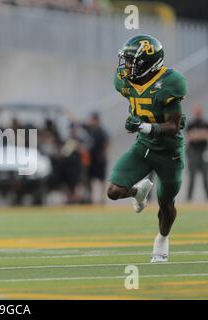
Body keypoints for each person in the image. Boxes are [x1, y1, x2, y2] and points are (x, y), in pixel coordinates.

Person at [107, 34, 187, 263]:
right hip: (143, 147)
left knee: (166, 203)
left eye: (132, 61)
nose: (127, 65)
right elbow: (137, 99)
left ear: (147, 63)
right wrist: (140, 124)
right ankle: (138, 192)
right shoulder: (124, 79)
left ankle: (162, 238)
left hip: (169, 152)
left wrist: (142, 125)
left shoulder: (170, 83)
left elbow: (173, 126)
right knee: (113, 191)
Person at [84, 112, 109, 204]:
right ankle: (91, 198)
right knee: (90, 179)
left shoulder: (102, 131)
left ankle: (102, 198)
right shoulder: (91, 131)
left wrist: (103, 154)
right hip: (92, 158)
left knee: (101, 179)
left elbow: (106, 142)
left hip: (100, 158)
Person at [186, 104, 208, 200]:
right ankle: (189, 199)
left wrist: (197, 135)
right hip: (193, 153)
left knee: (205, 178)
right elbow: (190, 137)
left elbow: (206, 136)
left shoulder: (205, 124)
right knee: (192, 178)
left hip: (203, 152)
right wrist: (201, 134)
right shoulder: (191, 124)